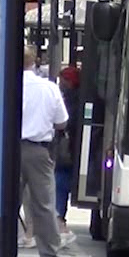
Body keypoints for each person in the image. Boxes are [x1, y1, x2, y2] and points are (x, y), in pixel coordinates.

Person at [0, 47, 69, 257]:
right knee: (44, 205)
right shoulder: (49, 88)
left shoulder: (5, 86)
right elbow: (62, 121)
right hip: (38, 150)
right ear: (34, 61)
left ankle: (4, 256)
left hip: (10, 148)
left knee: (8, 203)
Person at [54, 64, 80, 241]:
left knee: (60, 184)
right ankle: (59, 220)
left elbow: (64, 122)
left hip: (68, 151)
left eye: (63, 80)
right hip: (77, 150)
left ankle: (59, 220)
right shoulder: (80, 97)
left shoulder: (68, 100)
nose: (60, 83)